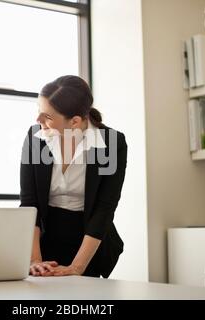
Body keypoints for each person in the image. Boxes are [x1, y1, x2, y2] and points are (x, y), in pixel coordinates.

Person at [20, 75, 127, 278]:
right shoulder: (35, 137)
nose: (38, 120)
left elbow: (104, 209)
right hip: (43, 239)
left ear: (75, 121)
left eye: (48, 116)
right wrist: (35, 260)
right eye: (38, 111)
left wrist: (77, 267)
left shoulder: (112, 143)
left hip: (90, 244)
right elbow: (29, 202)